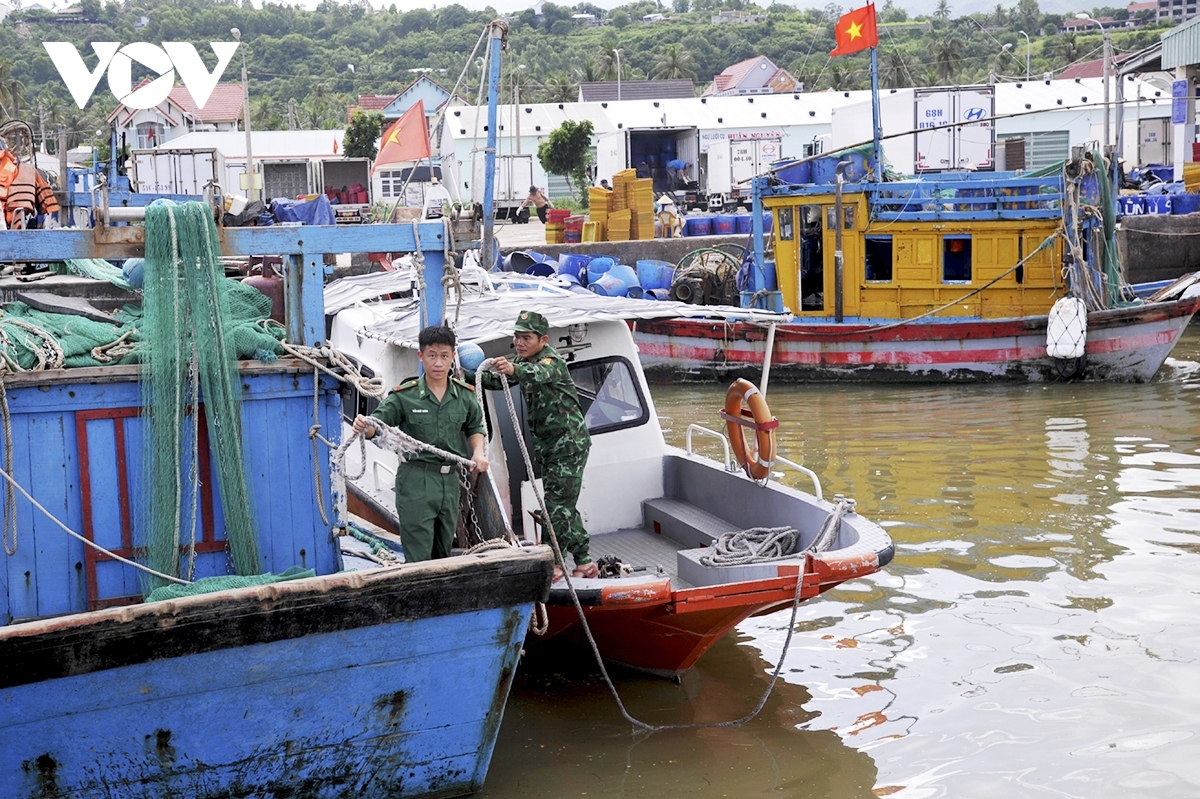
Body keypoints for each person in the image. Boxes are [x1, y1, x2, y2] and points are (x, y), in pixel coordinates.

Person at [353, 325, 488, 563]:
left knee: (443, 551)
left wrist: (478, 452)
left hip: (449, 481)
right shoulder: (405, 396)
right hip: (416, 480)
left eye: (444, 356)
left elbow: (475, 427)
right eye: (432, 355)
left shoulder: (465, 396)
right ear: (421, 356)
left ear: (453, 357)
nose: (438, 363)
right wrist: (365, 427)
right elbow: (378, 425)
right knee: (419, 556)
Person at [481, 310, 596, 580]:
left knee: (557, 506)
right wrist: (466, 376)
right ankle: (584, 562)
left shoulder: (549, 362)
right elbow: (500, 381)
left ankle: (554, 563)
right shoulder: (526, 362)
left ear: (543, 340)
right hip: (551, 449)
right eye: (517, 337)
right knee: (562, 503)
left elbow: (534, 372)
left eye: (526, 338)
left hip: (568, 447)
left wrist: (513, 368)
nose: (519, 343)